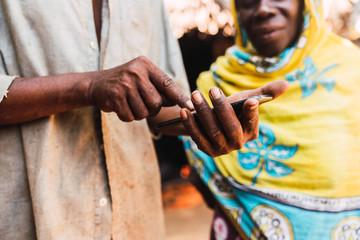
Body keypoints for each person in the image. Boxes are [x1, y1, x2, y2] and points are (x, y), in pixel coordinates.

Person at [0, 0, 287, 239]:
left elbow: (161, 109)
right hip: (31, 222)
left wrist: (210, 118)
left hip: (137, 224)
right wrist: (89, 87)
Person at [182, 0, 360, 239]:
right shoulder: (215, 83)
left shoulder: (351, 70)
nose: (263, 9)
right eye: (248, 1)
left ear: (305, 5)